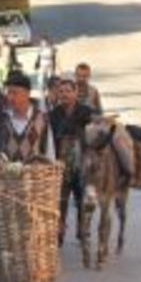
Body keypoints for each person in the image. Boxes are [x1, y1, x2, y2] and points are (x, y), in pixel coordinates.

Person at [50, 78, 94, 246]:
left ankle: (83, 231)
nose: (65, 95)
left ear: (76, 93)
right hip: (61, 162)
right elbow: (50, 139)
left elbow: (94, 134)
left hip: (82, 161)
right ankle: (59, 233)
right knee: (60, 200)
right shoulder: (53, 115)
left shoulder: (86, 112)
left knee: (83, 197)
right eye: (61, 92)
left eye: (68, 91)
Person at [0, 71, 55, 162]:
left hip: (34, 174)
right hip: (7, 175)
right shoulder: (3, 118)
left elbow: (49, 151)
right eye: (8, 93)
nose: (10, 98)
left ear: (27, 93)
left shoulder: (41, 119)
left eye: (14, 93)